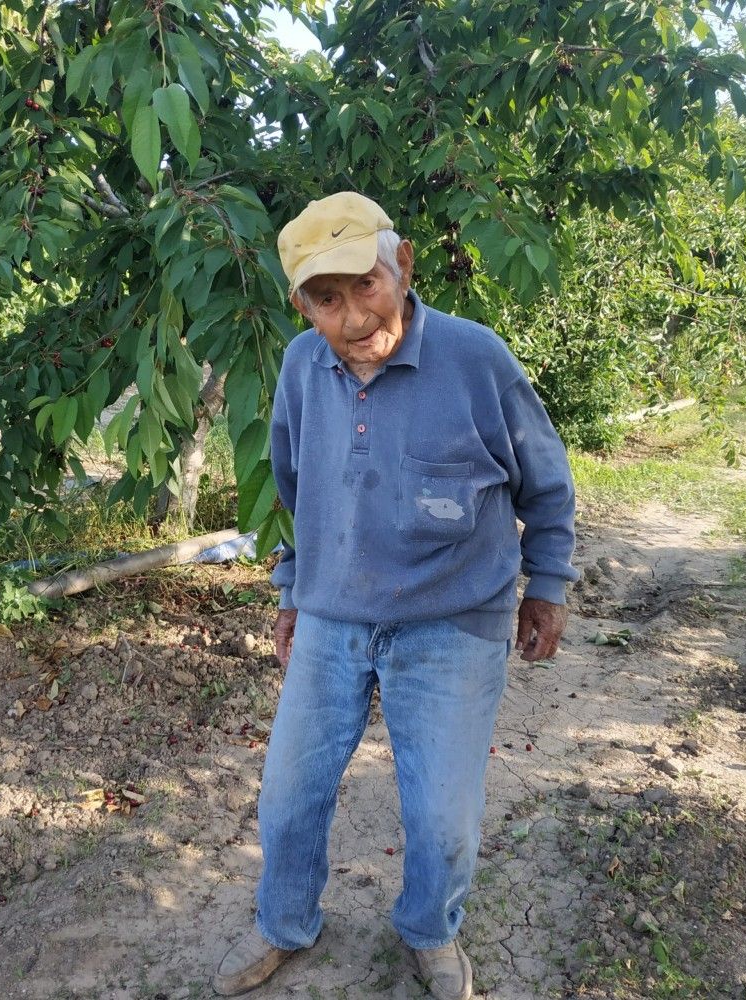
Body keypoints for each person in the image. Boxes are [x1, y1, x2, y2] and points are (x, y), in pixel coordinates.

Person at [213, 192, 578, 1000]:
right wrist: (289, 590)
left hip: (453, 624)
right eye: (325, 299)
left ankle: (430, 933)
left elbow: (546, 487)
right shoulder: (302, 368)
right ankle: (285, 925)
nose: (352, 318)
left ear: (403, 265)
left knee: (443, 821)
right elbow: (291, 489)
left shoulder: (478, 359)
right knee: (286, 800)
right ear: (301, 306)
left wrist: (547, 585)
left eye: (366, 285)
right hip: (334, 617)